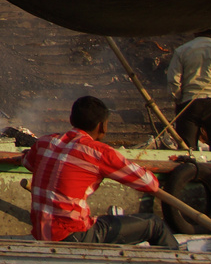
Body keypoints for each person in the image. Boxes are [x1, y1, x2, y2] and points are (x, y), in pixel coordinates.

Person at [23, 95, 175, 248]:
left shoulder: (43, 142)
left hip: (41, 233)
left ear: (71, 119)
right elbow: (150, 184)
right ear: (102, 127)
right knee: (155, 225)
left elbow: (28, 162)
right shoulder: (99, 153)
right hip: (74, 235)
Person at [167, 29, 211, 151]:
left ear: (195, 33)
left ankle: (188, 165)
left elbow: (173, 79)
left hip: (190, 101)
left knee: (187, 150)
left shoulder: (182, 50)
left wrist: (178, 98)